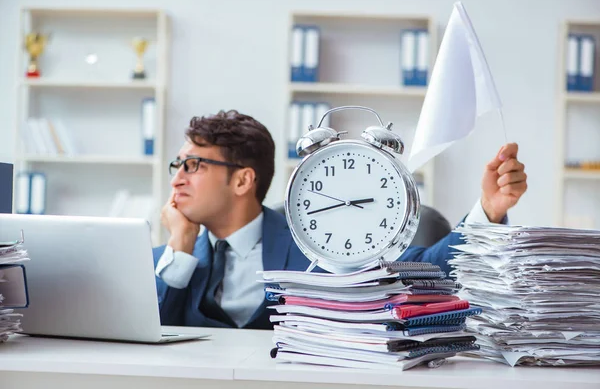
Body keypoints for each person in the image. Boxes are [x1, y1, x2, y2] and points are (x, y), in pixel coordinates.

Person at [153, 110, 527, 329]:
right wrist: (180, 247)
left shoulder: (319, 240)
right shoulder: (167, 259)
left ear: (242, 179)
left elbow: (429, 269)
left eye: (193, 165)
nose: (177, 178)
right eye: (177, 165)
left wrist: (488, 210)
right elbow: (150, 332)